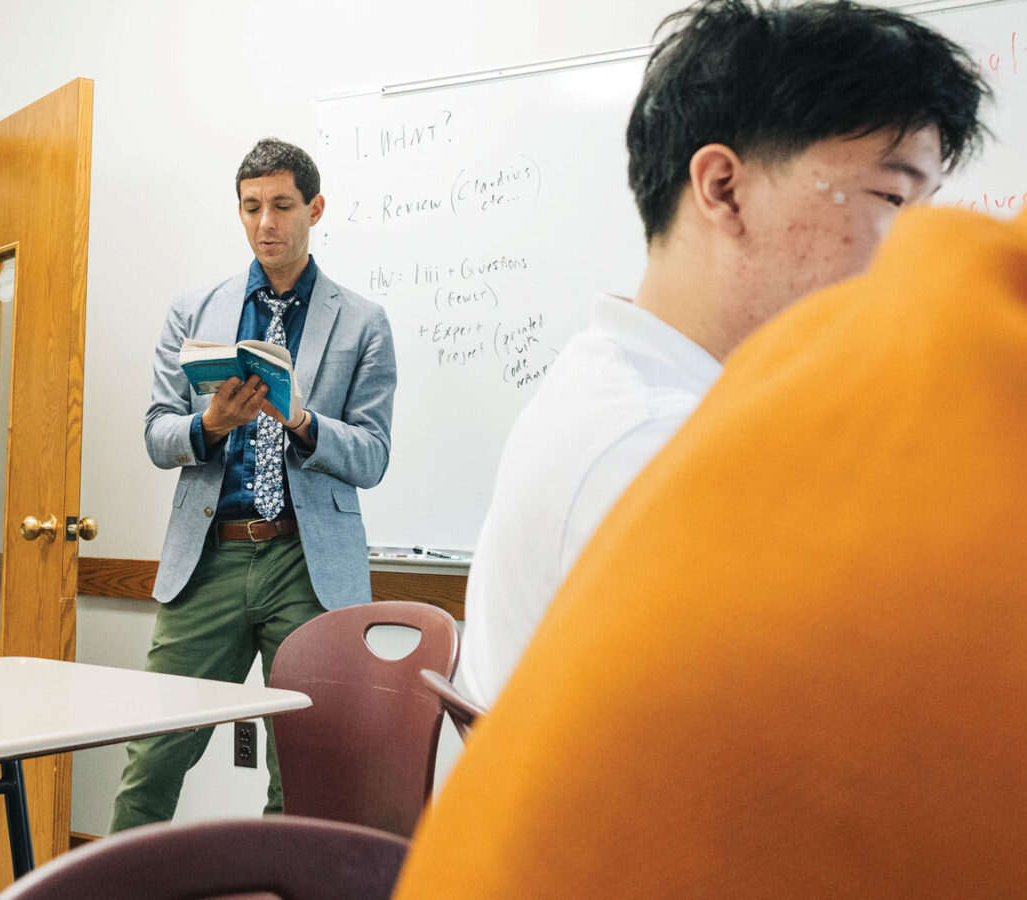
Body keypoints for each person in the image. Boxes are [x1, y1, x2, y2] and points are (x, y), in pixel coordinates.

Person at [394, 204, 1027, 896]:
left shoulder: (598, 380)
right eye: (889, 195)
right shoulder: (665, 440)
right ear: (724, 190)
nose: (894, 249)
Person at [457, 0, 988, 709]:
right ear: (724, 189)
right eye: (893, 197)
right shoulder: (654, 450)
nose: (921, 247)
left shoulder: (627, 388)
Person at [110, 137, 397, 830]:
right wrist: (209, 425)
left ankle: (280, 879)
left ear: (314, 208)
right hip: (209, 558)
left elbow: (372, 456)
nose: (266, 222)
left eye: (282, 205)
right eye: (251, 207)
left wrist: (302, 421)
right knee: (153, 755)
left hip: (306, 562)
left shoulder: (363, 322)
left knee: (302, 766)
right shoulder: (194, 311)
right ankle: (120, 880)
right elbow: (156, 434)